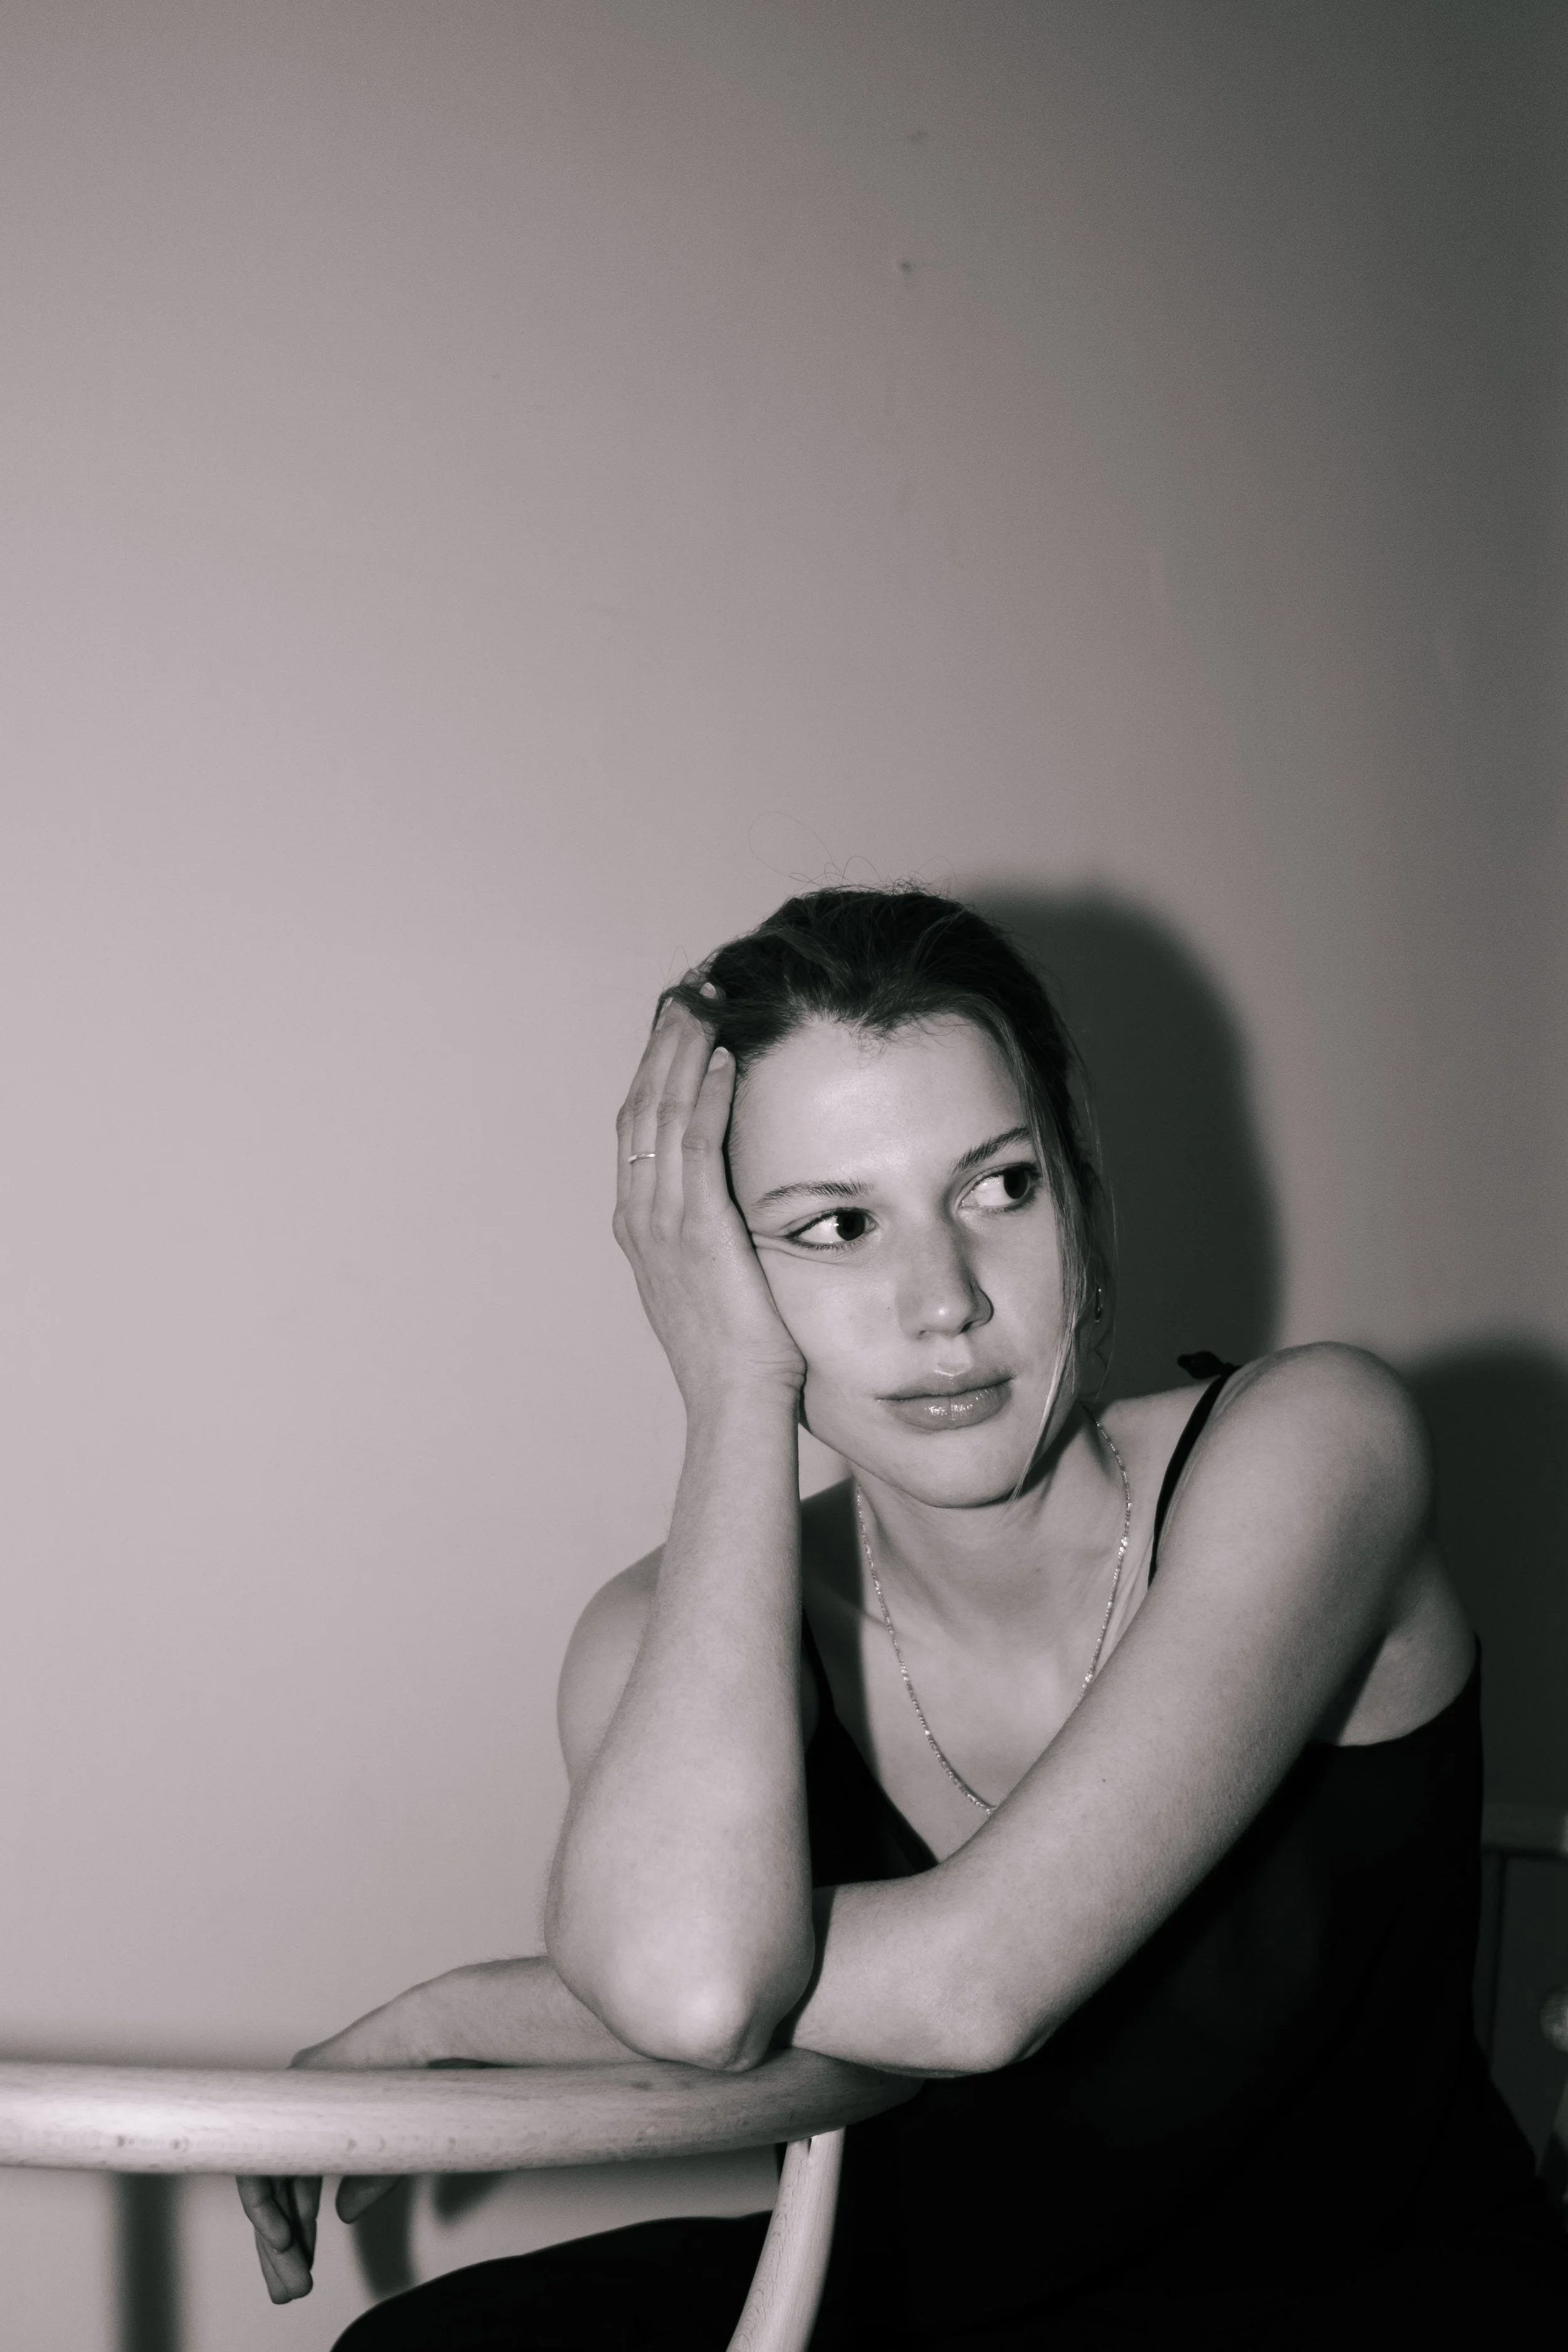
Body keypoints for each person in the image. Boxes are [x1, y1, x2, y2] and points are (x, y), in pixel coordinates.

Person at [239, 887, 1567, 2346]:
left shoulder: (1317, 1445)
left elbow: (970, 1990)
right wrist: (733, 1396)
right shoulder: (666, 1637)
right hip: (950, 2289)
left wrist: (451, 2017)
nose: (941, 1300)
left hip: (1376, 2301)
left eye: (1000, 1188)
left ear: (1077, 1181)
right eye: (834, 1226)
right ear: (717, 1277)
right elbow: (692, 1992)